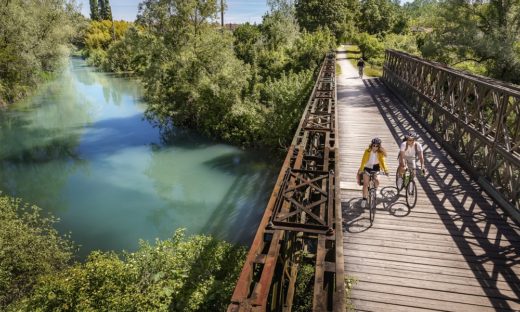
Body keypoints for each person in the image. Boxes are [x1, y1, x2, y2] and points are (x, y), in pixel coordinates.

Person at [357, 137, 388, 208]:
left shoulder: (380, 153)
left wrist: (386, 170)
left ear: (379, 146)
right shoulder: (367, 151)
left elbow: (383, 161)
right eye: (374, 145)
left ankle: (375, 189)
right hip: (367, 167)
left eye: (377, 146)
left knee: (377, 181)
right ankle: (364, 199)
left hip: (376, 167)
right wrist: (361, 169)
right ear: (371, 145)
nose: (375, 147)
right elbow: (363, 160)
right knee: (365, 184)